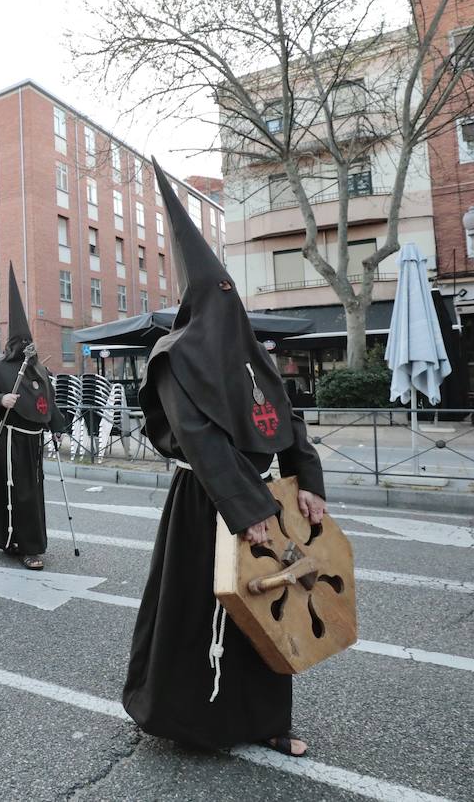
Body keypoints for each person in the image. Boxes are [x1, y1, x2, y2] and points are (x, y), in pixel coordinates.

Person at [122, 160, 327, 758]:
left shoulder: (253, 355)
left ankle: (266, 718)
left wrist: (306, 480)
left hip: (262, 498)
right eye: (218, 296)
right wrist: (244, 507)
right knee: (199, 610)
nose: (227, 306)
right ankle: (191, 719)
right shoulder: (173, 357)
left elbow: (288, 419)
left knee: (269, 608)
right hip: (206, 503)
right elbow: (198, 437)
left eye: (231, 295)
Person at [0, 265, 68, 570]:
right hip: (6, 440)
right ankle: (14, 542)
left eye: (31, 343)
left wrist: (57, 429)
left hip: (31, 442)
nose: (28, 349)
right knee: (10, 490)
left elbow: (47, 401)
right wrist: (2, 399)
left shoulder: (39, 369)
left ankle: (30, 544)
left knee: (30, 493)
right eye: (22, 343)